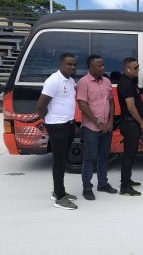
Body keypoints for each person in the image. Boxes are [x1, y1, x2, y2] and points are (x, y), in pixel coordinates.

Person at [37, 53, 78, 210]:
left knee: (63, 160)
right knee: (59, 162)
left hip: (67, 124)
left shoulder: (70, 80)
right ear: (61, 64)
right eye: (69, 64)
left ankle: (58, 191)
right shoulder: (54, 80)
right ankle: (60, 197)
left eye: (74, 64)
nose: (72, 67)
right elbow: (41, 105)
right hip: (57, 126)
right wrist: (49, 121)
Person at [76, 55, 117, 201]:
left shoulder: (107, 81)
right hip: (91, 128)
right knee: (90, 158)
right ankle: (87, 188)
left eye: (103, 65)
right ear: (91, 67)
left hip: (107, 126)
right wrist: (98, 122)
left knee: (104, 156)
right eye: (99, 66)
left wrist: (111, 121)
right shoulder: (83, 82)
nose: (103, 68)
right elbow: (82, 105)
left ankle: (103, 184)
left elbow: (111, 101)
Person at [117, 57, 143, 196]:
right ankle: (125, 187)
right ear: (127, 68)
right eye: (135, 68)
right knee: (128, 155)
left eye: (138, 67)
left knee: (132, 154)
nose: (138, 70)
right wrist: (141, 122)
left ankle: (127, 180)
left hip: (132, 123)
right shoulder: (125, 83)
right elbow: (131, 106)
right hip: (130, 123)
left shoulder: (131, 82)